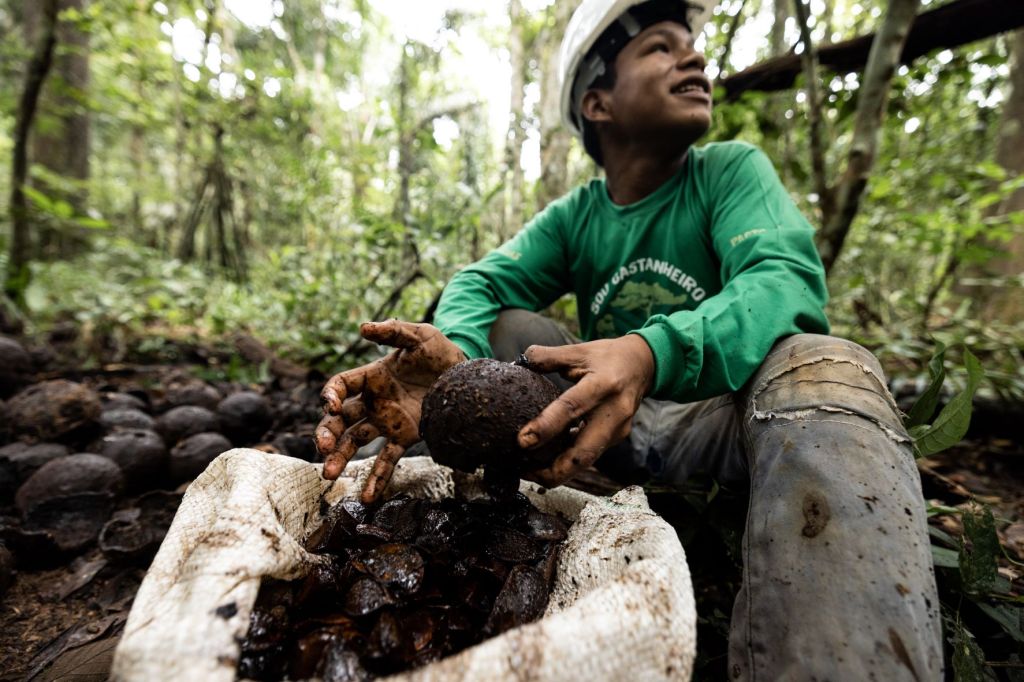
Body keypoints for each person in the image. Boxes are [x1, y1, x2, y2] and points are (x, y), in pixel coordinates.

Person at [314, 0, 943, 678]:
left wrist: (650, 351)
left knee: (826, 365)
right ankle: (556, 502)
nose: (694, 58)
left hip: (716, 425)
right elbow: (479, 282)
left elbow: (783, 280)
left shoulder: (728, 173)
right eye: (661, 48)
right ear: (598, 103)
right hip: (599, 436)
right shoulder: (577, 216)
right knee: (510, 329)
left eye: (692, 46)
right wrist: (457, 363)